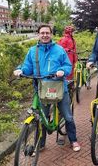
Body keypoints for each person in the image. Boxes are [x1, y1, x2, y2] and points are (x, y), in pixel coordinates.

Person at [13, 24, 81, 152]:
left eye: (47, 33)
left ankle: (73, 140)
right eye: (42, 33)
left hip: (59, 87)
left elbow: (68, 65)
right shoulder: (33, 51)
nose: (45, 35)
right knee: (42, 118)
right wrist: (20, 70)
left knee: (68, 116)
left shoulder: (59, 50)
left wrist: (62, 70)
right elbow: (27, 67)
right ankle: (41, 144)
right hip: (41, 88)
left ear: (51, 34)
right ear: (38, 34)